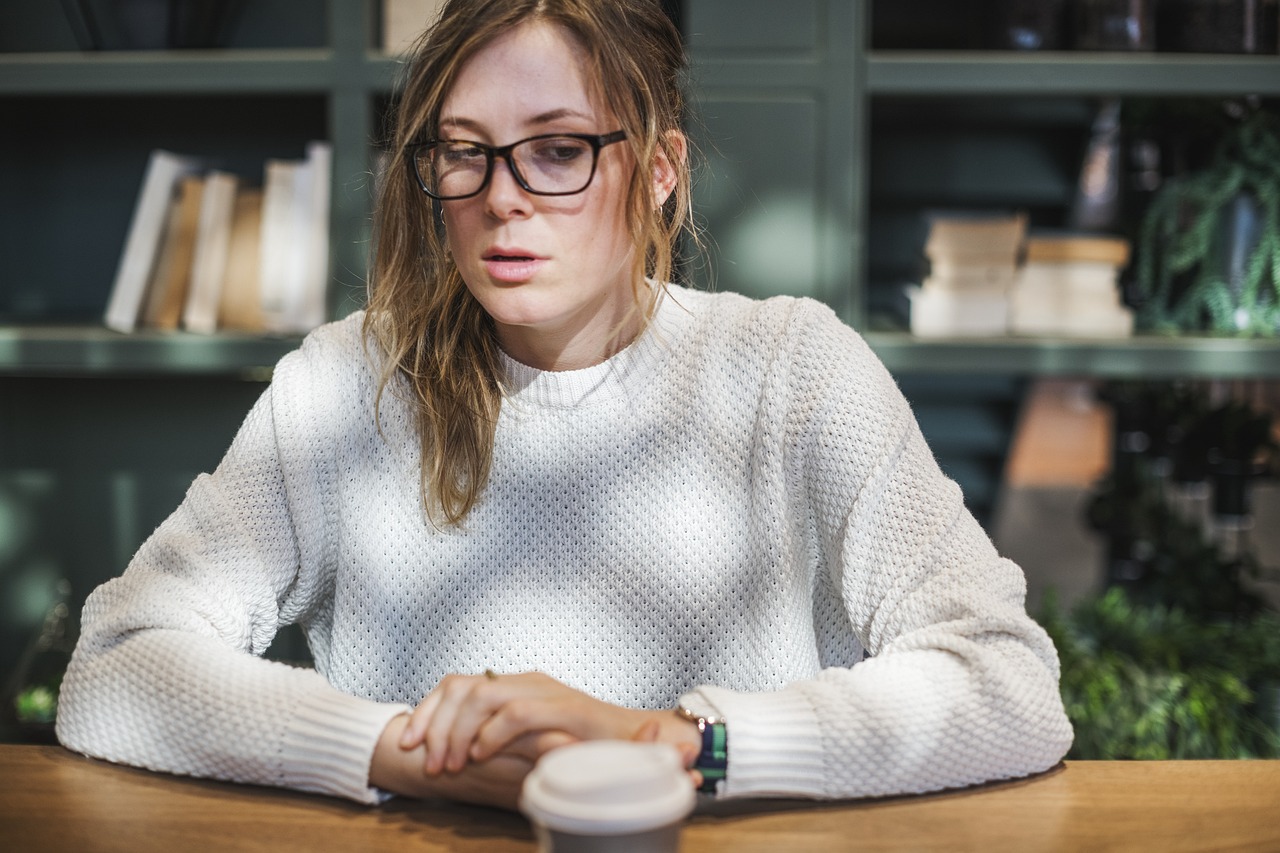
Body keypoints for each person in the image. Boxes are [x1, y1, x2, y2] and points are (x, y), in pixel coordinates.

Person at [56, 0, 1073, 810]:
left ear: (661, 172)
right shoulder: (341, 386)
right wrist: (403, 752)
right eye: (464, 150)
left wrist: (667, 743)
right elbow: (116, 662)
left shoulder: (793, 371)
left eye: (556, 151)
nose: (501, 197)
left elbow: (1005, 682)